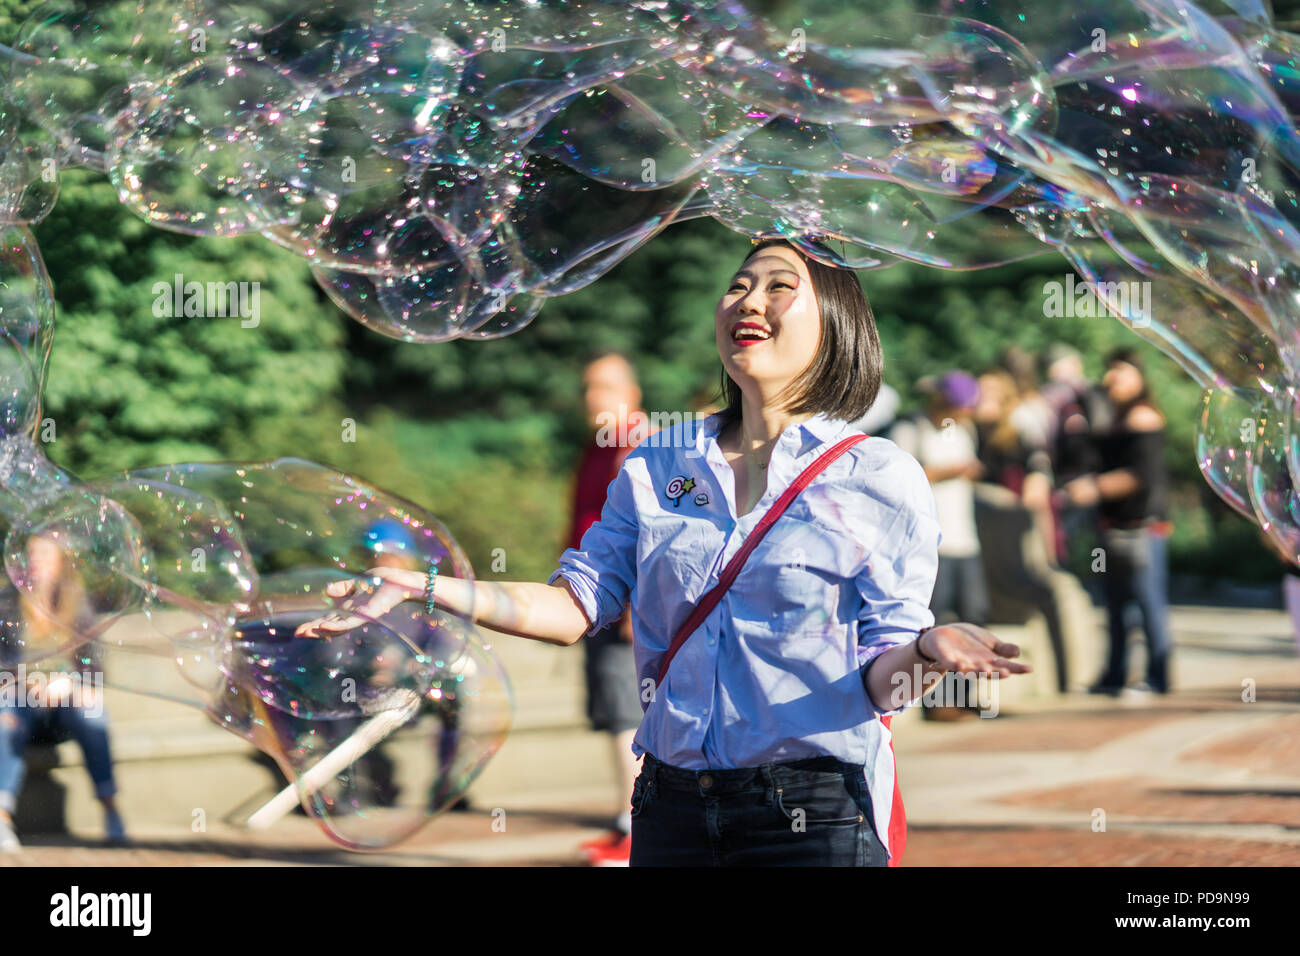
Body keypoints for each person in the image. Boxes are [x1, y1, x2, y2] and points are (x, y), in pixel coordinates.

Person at [297, 238, 1030, 867]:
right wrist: (425, 587)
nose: (749, 299)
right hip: (669, 809)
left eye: (780, 287)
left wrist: (929, 652)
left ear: (836, 322)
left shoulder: (878, 475)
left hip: (812, 812)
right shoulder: (658, 459)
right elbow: (574, 603)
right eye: (738, 285)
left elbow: (884, 689)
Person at [569, 350, 648, 865]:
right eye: (588, 388)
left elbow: (652, 527)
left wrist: (638, 607)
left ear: (632, 392)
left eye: (605, 387)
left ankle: (637, 830)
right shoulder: (599, 445)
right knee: (614, 715)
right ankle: (627, 822)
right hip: (596, 603)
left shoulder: (636, 441)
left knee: (626, 717)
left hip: (622, 610)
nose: (593, 398)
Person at [0, 534, 126, 852]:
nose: (34, 561)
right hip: (21, 702)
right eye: (30, 554)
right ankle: (2, 820)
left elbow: (95, 667)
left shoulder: (77, 604)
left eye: (43, 554)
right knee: (4, 718)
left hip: (65, 707)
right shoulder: (7, 603)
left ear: (60, 561)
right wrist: (24, 681)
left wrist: (71, 683)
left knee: (93, 714)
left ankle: (110, 808)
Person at [1060, 348, 1173, 695]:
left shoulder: (1143, 418)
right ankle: (1115, 674)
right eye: (1110, 371)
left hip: (1142, 527)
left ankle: (1156, 677)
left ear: (1139, 377)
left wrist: (1093, 488)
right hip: (1115, 526)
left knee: (1147, 603)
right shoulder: (1113, 416)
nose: (1112, 379)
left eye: (1121, 371)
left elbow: (1141, 475)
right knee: (1115, 605)